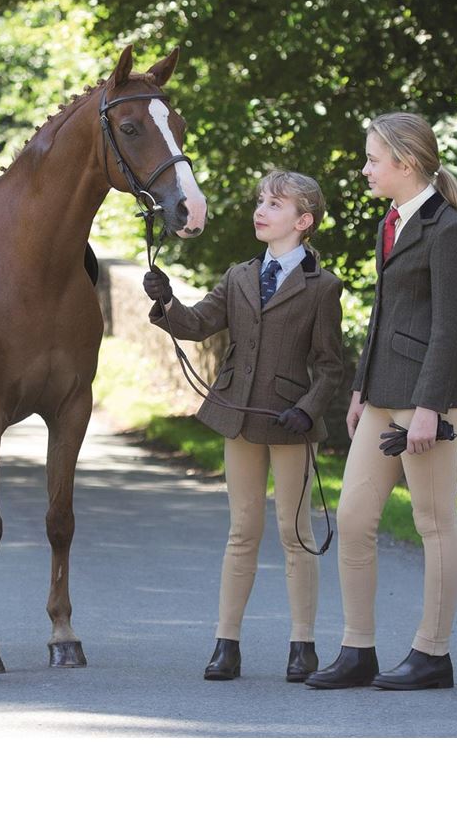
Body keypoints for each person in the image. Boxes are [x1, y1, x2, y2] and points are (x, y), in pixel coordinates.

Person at [144, 171, 344, 682]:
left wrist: (310, 408)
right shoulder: (238, 277)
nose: (261, 210)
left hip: (290, 421)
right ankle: (226, 644)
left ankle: (303, 645)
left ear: (303, 222)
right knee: (242, 531)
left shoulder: (324, 288)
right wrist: (166, 301)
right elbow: (195, 324)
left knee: (294, 532)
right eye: (260, 200)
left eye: (274, 204)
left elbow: (330, 366)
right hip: (238, 415)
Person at [305, 112, 457, 691]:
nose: (365, 168)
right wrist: (360, 388)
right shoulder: (393, 221)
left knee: (435, 524)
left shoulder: (448, 229)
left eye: (373, 159)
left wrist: (428, 408)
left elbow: (450, 328)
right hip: (382, 392)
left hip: (428, 398)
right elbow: (387, 315)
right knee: (354, 520)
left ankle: (433, 654)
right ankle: (358, 652)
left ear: (405, 162)